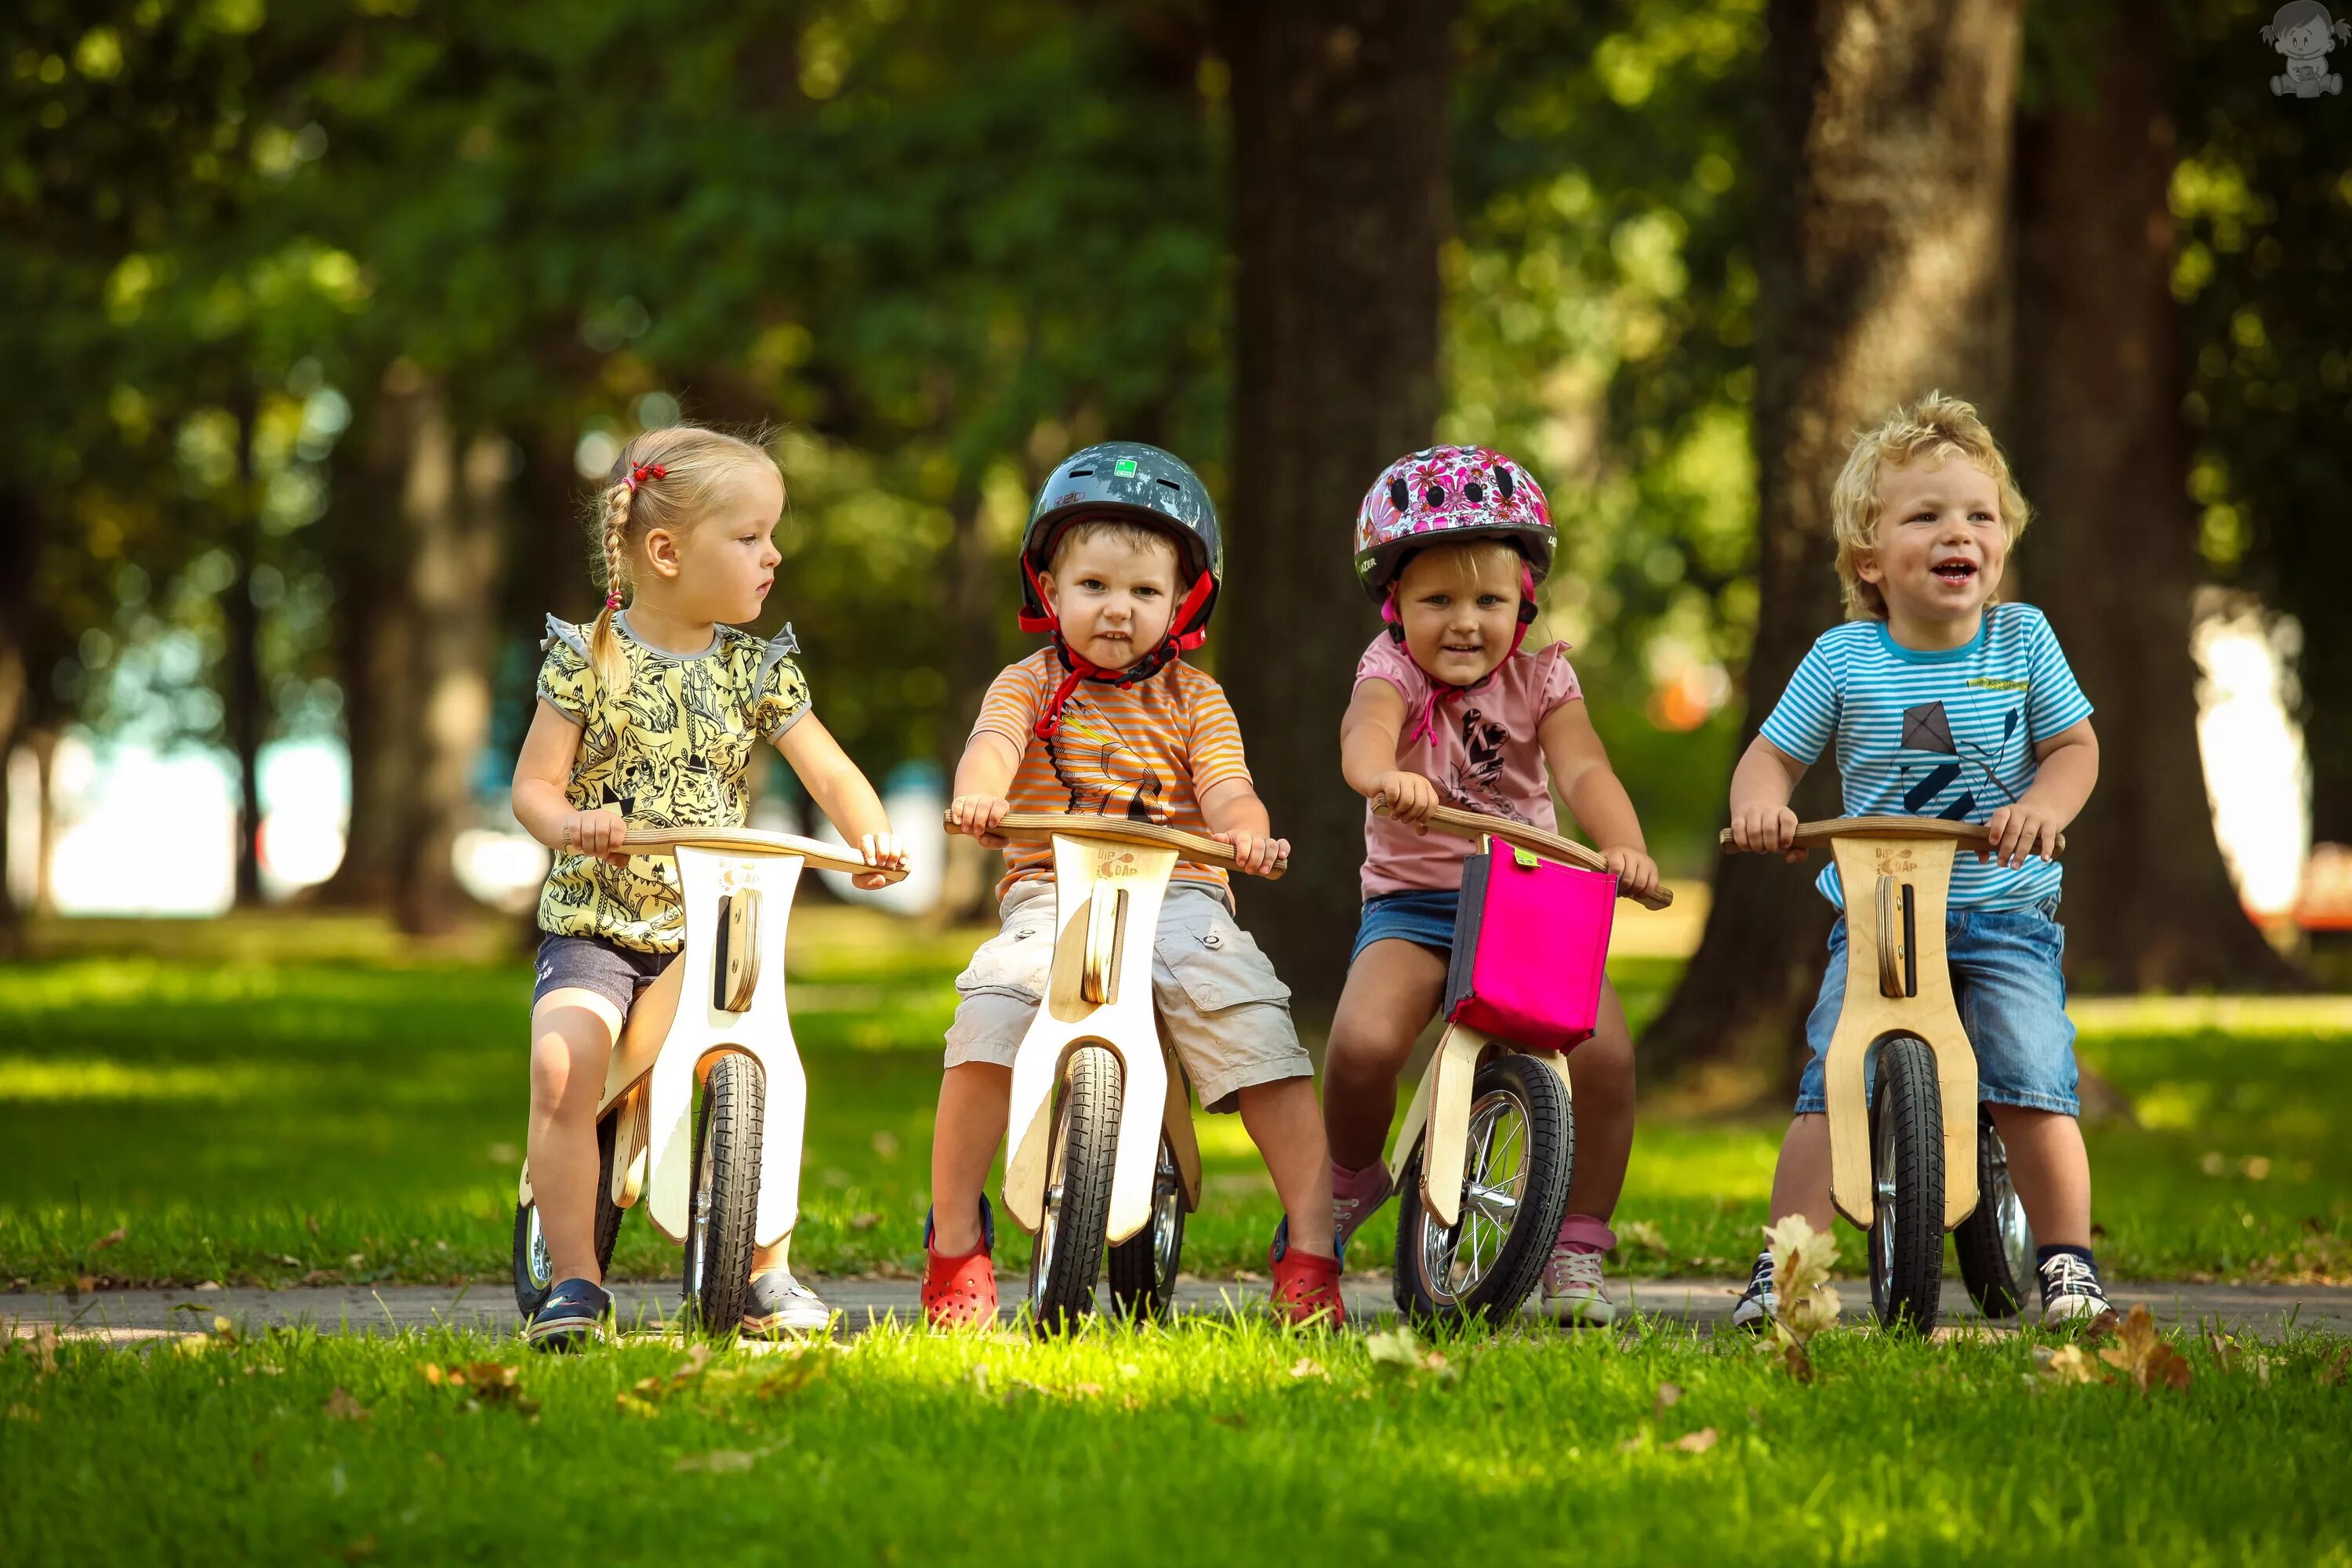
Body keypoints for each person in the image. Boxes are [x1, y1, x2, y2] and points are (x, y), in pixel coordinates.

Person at [927, 441, 1342, 1327]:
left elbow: (1229, 788)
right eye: (1094, 587)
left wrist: (1248, 834)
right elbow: (992, 749)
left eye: (1145, 592)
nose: (1118, 610)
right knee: (994, 1009)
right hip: (1053, 887)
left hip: (1178, 891)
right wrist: (979, 792)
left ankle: (1311, 1244)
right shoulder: (1028, 683)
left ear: (1184, 601)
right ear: (1050, 589)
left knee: (1251, 1016)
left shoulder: (1196, 698)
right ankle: (956, 1236)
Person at [510, 425, 904, 1348]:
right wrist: (573, 823)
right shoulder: (588, 657)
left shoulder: (755, 668)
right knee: (562, 1065)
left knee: (761, 1056)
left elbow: (832, 772)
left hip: (710, 931)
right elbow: (533, 784)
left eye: (774, 535)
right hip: (597, 922)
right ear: (666, 551)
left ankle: (766, 1265)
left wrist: (871, 834)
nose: (773, 555)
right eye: (751, 536)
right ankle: (574, 1281)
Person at [1724, 391, 2111, 1330]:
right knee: (1832, 1078)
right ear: (1870, 557)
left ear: (2002, 543)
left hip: (2003, 907)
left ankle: (2067, 1261)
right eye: (1927, 515)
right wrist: (1762, 805)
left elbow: (2074, 749)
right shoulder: (1844, 657)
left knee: (2029, 1071)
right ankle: (1788, 1270)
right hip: (1883, 911)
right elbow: (1771, 755)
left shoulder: (2023, 640)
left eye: (1981, 515)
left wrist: (2041, 808)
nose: (1959, 532)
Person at [1323, 445, 1661, 1325]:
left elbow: (1585, 770)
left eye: (1490, 600)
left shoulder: (1543, 676)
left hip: (1528, 901)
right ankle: (1352, 1173)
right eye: (1437, 600)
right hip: (1416, 900)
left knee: (1609, 1052)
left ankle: (1577, 1242)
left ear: (1526, 602)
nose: (1465, 622)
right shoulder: (1391, 669)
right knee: (1361, 1040)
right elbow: (1366, 729)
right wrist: (1379, 775)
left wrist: (1622, 847)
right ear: (1397, 607)